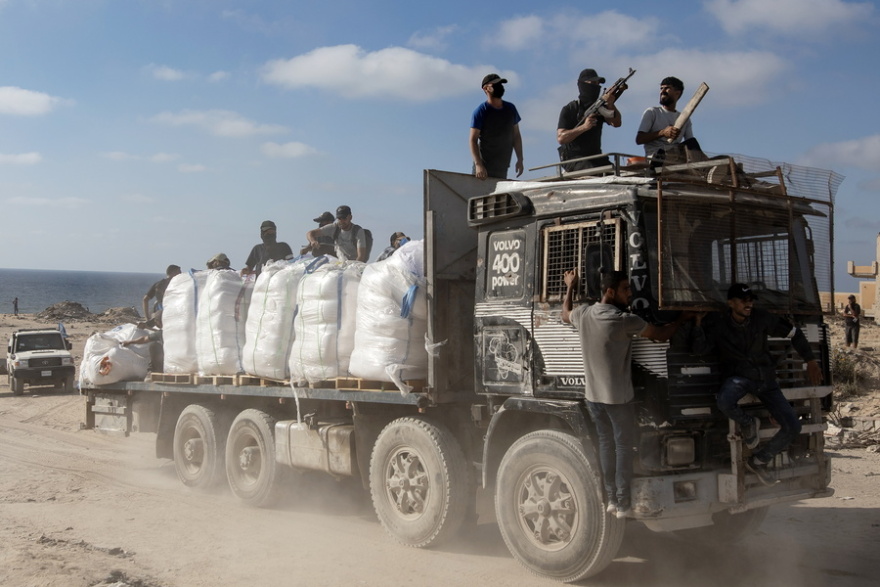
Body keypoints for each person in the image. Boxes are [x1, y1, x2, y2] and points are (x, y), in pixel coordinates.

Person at [562, 269, 689, 518]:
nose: (630, 294)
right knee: (622, 447)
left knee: (605, 445)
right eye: (625, 289)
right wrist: (682, 319)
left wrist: (570, 286)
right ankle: (623, 504)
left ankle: (611, 499)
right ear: (610, 292)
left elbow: (564, 314)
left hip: (593, 397)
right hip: (618, 399)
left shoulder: (584, 313)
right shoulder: (624, 320)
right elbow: (662, 335)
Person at [692, 283, 823, 486]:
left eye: (750, 300)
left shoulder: (762, 318)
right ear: (731, 303)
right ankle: (749, 423)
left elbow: (794, 333)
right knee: (725, 401)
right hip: (739, 379)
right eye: (743, 300)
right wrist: (698, 326)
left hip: (765, 380)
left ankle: (759, 460)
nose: (748, 303)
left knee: (793, 426)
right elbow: (700, 349)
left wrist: (811, 360)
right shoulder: (718, 324)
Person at [556, 68, 622, 172]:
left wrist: (610, 104)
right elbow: (561, 138)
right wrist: (584, 127)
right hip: (574, 159)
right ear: (582, 85)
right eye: (592, 83)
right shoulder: (571, 108)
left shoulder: (600, 107)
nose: (595, 86)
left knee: (617, 172)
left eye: (597, 83)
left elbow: (616, 123)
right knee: (596, 171)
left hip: (596, 157)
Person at [636, 76, 704, 163]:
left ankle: (708, 168)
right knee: (665, 153)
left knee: (692, 142)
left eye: (667, 88)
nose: (662, 91)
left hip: (676, 157)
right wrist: (663, 132)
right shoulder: (652, 112)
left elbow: (690, 143)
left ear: (677, 93)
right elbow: (639, 139)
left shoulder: (684, 118)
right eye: (661, 88)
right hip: (657, 159)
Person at [469, 73, 524, 180]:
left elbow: (516, 135)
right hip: (484, 166)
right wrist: (478, 164)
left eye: (500, 84)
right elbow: (473, 140)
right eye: (495, 85)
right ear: (486, 88)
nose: (500, 87)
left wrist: (520, 159)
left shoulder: (510, 109)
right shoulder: (481, 111)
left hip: (502, 165)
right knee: (481, 195)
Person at [305, 205, 369, 262]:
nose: (341, 221)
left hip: (354, 264)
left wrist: (353, 269)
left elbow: (361, 257)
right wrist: (313, 241)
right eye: (339, 218)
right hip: (339, 263)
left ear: (350, 217)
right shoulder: (334, 228)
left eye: (344, 218)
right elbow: (310, 233)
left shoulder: (357, 231)